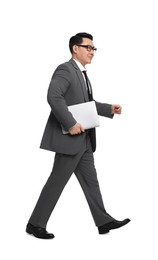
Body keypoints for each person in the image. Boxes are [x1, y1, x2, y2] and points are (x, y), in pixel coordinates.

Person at [26, 32, 130, 239]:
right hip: (69, 139)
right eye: (88, 47)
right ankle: (35, 224)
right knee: (57, 181)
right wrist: (70, 123)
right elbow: (53, 96)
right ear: (76, 48)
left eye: (93, 48)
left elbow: (85, 104)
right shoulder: (66, 69)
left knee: (92, 182)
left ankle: (103, 221)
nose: (92, 52)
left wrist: (109, 108)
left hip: (84, 141)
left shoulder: (81, 74)